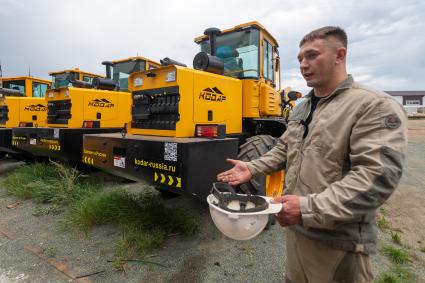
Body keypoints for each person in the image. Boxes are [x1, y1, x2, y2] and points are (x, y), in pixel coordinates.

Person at [217, 26, 408, 283]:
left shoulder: (372, 105)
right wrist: (252, 167)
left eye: (312, 56)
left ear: (339, 55)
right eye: (300, 59)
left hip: (338, 241)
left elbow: (377, 179)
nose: (303, 65)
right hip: (297, 230)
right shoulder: (303, 106)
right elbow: (285, 148)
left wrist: (307, 207)